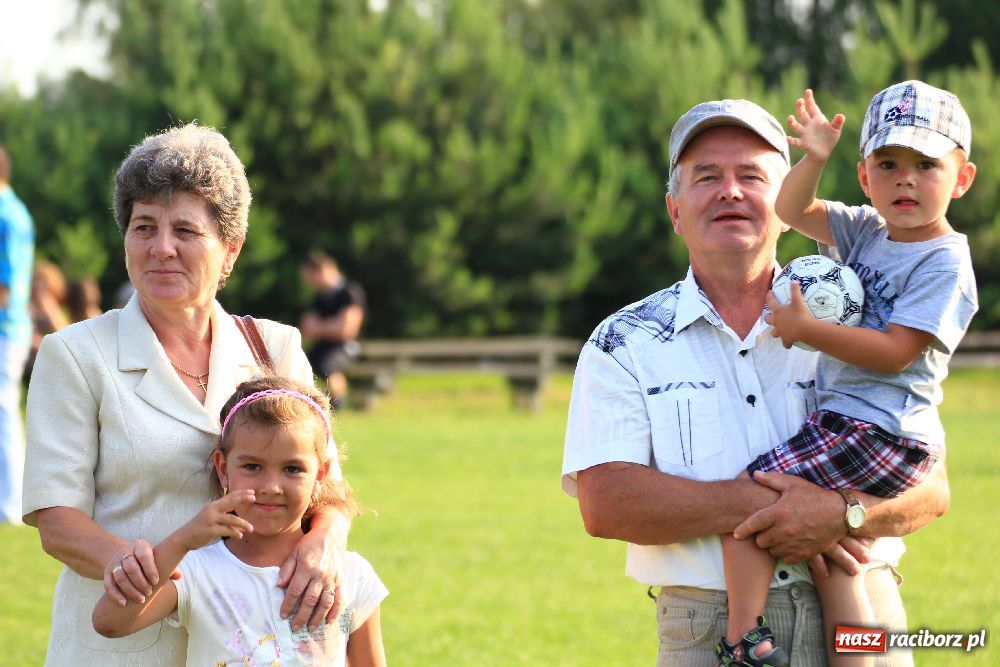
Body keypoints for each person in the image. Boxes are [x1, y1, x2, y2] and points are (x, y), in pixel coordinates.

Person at [561, 98, 951, 667]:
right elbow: (607, 505)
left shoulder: (861, 316)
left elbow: (933, 489)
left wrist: (843, 514)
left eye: (752, 175)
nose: (730, 191)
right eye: (706, 177)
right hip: (710, 628)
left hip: (864, 606)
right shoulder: (623, 341)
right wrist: (778, 507)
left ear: (787, 204)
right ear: (674, 210)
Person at [23, 123, 352, 665]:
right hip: (123, 648)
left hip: (255, 648)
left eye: (185, 230)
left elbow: (327, 484)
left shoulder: (276, 348)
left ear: (230, 250)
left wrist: (326, 541)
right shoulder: (75, 354)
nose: (162, 248)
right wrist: (128, 564)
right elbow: (56, 518)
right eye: (144, 227)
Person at [718, 82, 977, 667]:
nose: (905, 180)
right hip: (859, 427)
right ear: (864, 177)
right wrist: (813, 159)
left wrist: (806, 330)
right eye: (887, 164)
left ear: (961, 179)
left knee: (752, 497)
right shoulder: (867, 230)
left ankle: (741, 641)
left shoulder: (945, 260)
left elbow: (895, 352)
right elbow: (791, 212)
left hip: (878, 429)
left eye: (926, 165)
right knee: (835, 559)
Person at [93, 376, 387, 667]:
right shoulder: (197, 570)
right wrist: (182, 540)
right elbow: (110, 622)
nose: (271, 487)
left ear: (320, 475)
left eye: (292, 469)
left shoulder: (350, 574)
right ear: (223, 469)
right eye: (253, 466)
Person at [0, 144, 34, 524]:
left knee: (4, 411)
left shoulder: (4, 214)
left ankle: (9, 505)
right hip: (13, 326)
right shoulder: (16, 211)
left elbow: (5, 283)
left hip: (4, 327)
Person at [300, 251, 366, 402]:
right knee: (300, 362)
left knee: (326, 366)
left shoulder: (349, 292)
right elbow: (307, 329)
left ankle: (338, 401)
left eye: (310, 277)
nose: (309, 282)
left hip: (347, 346)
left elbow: (347, 330)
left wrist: (320, 327)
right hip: (324, 346)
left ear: (320, 271)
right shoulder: (319, 297)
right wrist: (332, 325)